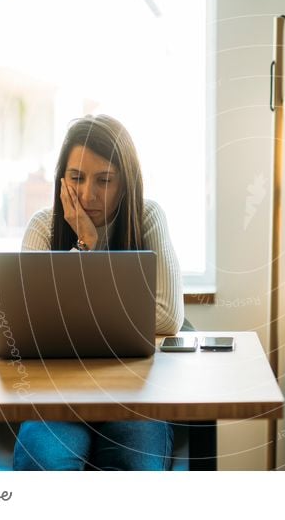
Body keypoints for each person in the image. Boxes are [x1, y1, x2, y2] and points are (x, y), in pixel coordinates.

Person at [12, 114, 184, 471]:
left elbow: (168, 315)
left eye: (104, 180)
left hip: (135, 398)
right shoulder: (43, 228)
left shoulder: (148, 218)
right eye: (77, 178)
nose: (87, 194)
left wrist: (77, 313)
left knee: (133, 469)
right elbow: (28, 321)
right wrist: (85, 244)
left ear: (125, 184)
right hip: (58, 398)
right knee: (45, 465)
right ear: (62, 180)